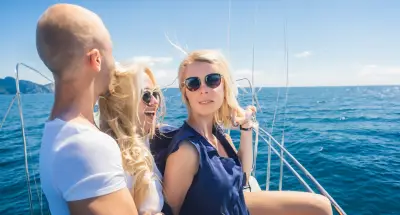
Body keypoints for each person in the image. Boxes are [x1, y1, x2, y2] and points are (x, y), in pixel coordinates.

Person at [157, 49, 333, 215]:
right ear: (185, 92)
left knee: (321, 206)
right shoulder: (187, 150)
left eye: (212, 80)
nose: (203, 89)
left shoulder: (217, 134)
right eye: (193, 83)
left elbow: (244, 177)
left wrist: (246, 128)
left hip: (235, 205)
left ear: (224, 86)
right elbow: (171, 210)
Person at [37, 4, 138, 215]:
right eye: (111, 52)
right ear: (96, 59)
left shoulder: (57, 132)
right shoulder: (85, 145)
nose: (114, 63)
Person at [98, 62, 165, 215]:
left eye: (156, 94)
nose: (155, 102)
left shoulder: (143, 140)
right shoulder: (112, 158)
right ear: (122, 102)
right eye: (146, 95)